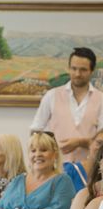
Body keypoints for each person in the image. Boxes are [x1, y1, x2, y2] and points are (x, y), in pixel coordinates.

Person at [31, 47, 103, 191]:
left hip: (89, 173)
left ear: (92, 70)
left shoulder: (101, 99)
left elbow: (102, 139)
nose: (77, 74)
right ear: (68, 68)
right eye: (73, 68)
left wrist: (81, 142)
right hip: (55, 171)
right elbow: (35, 131)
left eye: (83, 70)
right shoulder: (51, 96)